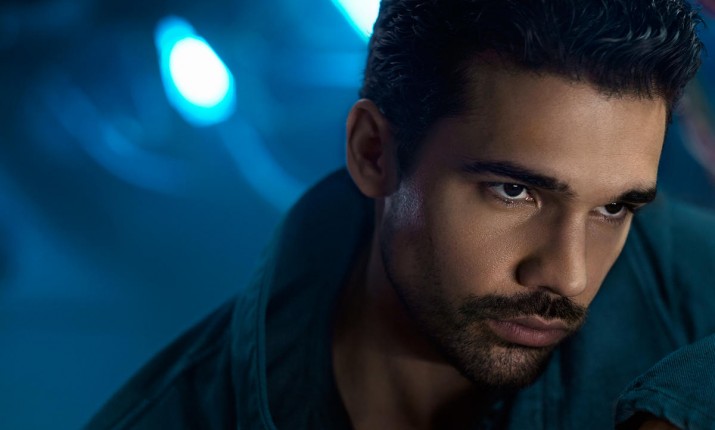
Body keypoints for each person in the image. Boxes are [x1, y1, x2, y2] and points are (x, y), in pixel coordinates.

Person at [86, 0, 715, 429]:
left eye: (613, 207)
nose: (569, 276)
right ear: (373, 153)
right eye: (512, 191)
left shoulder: (676, 275)